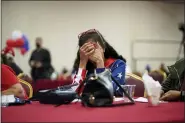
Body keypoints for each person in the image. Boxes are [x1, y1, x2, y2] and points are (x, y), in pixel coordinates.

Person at [72, 29, 126, 96]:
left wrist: (100, 64)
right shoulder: (86, 67)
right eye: (87, 50)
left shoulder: (118, 64)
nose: (91, 54)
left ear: (103, 48)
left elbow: (110, 91)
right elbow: (74, 93)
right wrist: (82, 63)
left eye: (93, 49)